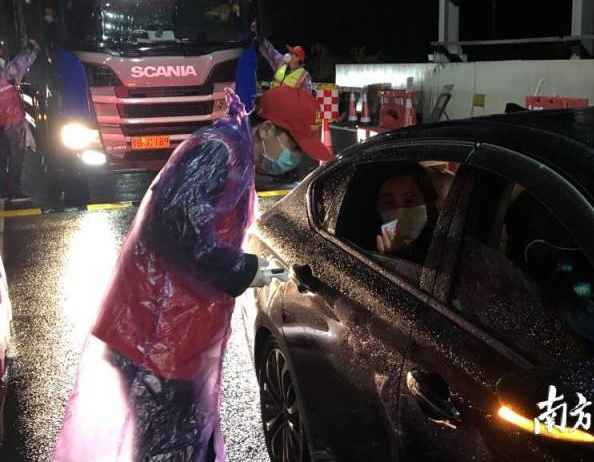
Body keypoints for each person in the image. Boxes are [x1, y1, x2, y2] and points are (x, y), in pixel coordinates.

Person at [53, 86, 331, 462]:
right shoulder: (218, 151)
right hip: (155, 335)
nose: (294, 158)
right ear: (267, 129)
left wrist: (244, 267)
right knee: (167, 450)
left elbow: (200, 231)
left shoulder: (234, 152)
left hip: (172, 336)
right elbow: (178, 228)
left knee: (186, 444)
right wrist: (242, 268)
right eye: (294, 145)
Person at [0, 39, 40, 203]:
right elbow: (20, 63)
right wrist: (32, 49)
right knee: (17, 157)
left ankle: (2, 192)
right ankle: (15, 192)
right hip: (12, 121)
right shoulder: (6, 73)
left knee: (1, 158)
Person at [375, 167, 439, 264]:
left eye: (409, 201)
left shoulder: (443, 248)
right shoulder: (361, 250)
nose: (400, 214)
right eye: (389, 203)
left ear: (427, 204)